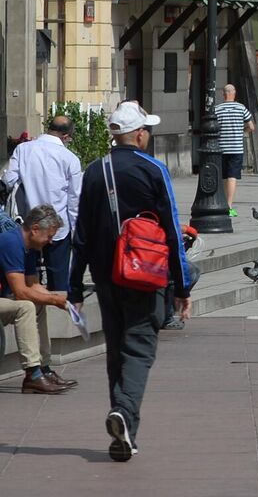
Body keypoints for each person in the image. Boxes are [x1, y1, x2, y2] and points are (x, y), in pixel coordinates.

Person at [72, 101, 193, 461]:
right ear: (138, 134)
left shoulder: (95, 171)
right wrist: (181, 286)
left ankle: (122, 434)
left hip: (107, 276)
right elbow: (172, 229)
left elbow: (81, 234)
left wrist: (75, 287)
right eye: (147, 131)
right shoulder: (153, 169)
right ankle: (124, 414)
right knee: (138, 348)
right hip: (146, 275)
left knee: (116, 352)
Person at [3, 115, 82, 333]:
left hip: (31, 225)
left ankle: (30, 319)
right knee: (58, 278)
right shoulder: (70, 158)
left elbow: (9, 180)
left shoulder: (23, 150)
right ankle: (59, 328)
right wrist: (75, 231)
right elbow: (75, 199)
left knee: (28, 276)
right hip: (58, 227)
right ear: (66, 136)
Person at [3, 204, 73, 393]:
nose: (50, 242)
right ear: (35, 229)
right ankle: (32, 374)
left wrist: (59, 298)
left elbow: (33, 285)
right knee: (25, 306)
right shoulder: (11, 242)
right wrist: (55, 301)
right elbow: (20, 292)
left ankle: (44, 368)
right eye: (49, 236)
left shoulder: (29, 247)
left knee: (38, 304)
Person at [212, 84, 253, 216]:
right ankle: (229, 206)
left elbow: (212, 127)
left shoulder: (217, 109)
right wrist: (242, 131)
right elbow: (251, 126)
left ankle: (223, 202)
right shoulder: (241, 108)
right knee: (232, 176)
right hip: (236, 147)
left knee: (224, 176)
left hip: (222, 147)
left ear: (224, 94)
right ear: (234, 93)